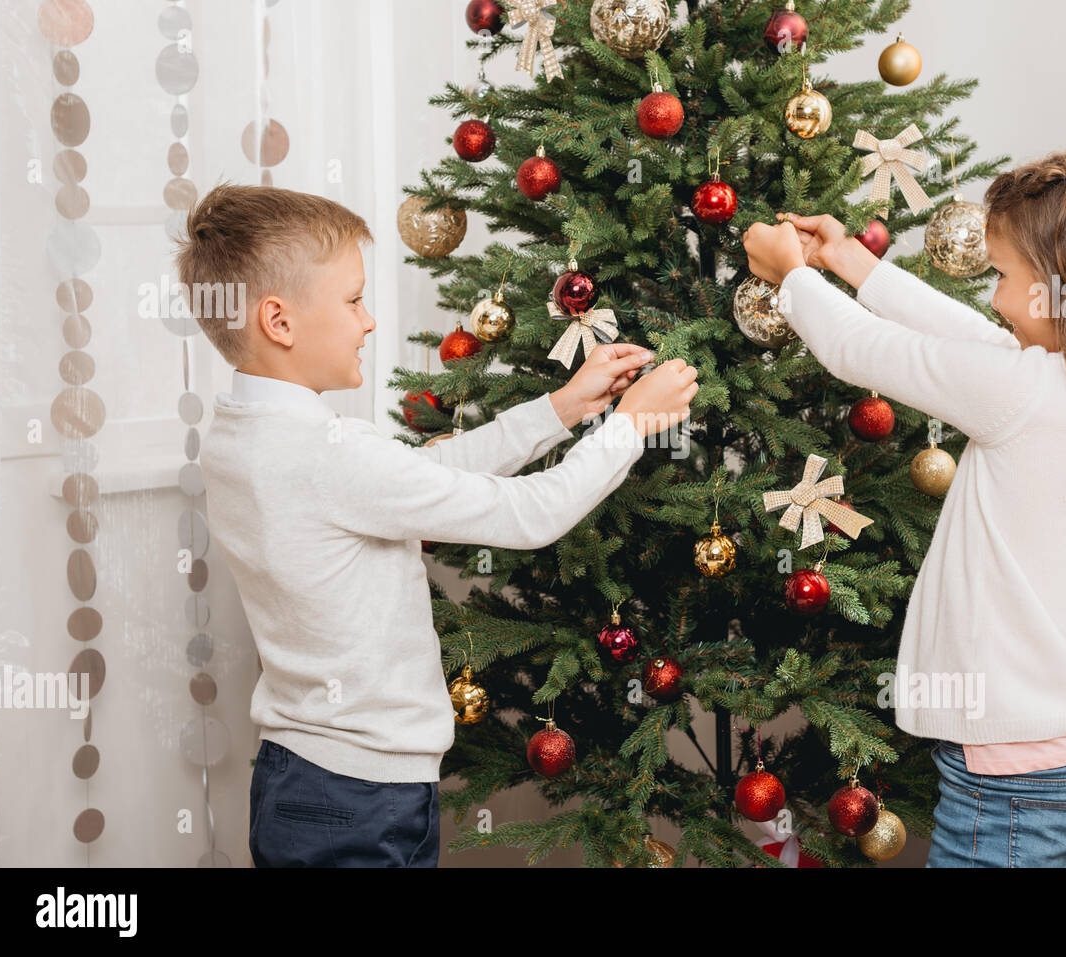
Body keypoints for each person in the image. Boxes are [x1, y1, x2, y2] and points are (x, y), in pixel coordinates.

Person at [176, 182, 698, 866]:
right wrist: (632, 426)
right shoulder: (329, 456)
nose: (367, 321)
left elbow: (424, 475)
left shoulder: (243, 434)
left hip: (305, 775)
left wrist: (563, 408)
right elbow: (532, 512)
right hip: (359, 797)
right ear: (280, 321)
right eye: (353, 299)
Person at [741, 143, 1066, 867]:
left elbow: (857, 349)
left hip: (1014, 778)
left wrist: (793, 278)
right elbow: (967, 337)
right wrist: (848, 260)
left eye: (1003, 276)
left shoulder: (1025, 393)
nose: (993, 297)